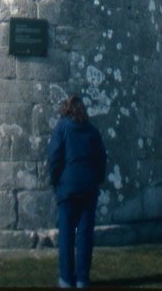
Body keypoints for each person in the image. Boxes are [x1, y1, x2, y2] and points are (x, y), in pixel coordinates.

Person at [47, 94, 107, 289]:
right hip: (88, 188)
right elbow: (101, 159)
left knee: (66, 235)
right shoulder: (92, 131)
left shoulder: (61, 128)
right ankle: (82, 279)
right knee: (85, 236)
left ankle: (66, 279)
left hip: (67, 189)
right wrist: (96, 179)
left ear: (67, 108)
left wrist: (56, 181)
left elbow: (54, 157)